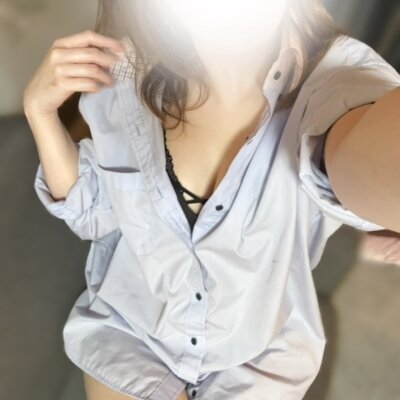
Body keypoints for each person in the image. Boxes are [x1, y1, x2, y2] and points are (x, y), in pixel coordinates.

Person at [23, 0, 400, 399]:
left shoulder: (340, 82)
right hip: (132, 333)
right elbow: (94, 212)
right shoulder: (123, 75)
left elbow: (368, 155)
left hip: (258, 360)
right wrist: (40, 113)